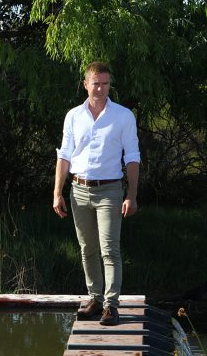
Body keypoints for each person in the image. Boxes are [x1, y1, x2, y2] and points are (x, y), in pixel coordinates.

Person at [53, 61, 140, 326]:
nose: (101, 88)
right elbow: (65, 155)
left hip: (110, 190)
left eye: (105, 83)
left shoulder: (123, 116)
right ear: (85, 84)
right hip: (78, 190)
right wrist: (58, 192)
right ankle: (95, 299)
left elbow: (133, 157)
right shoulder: (73, 116)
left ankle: (111, 307)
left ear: (109, 84)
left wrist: (131, 195)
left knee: (109, 250)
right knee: (87, 249)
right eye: (96, 83)